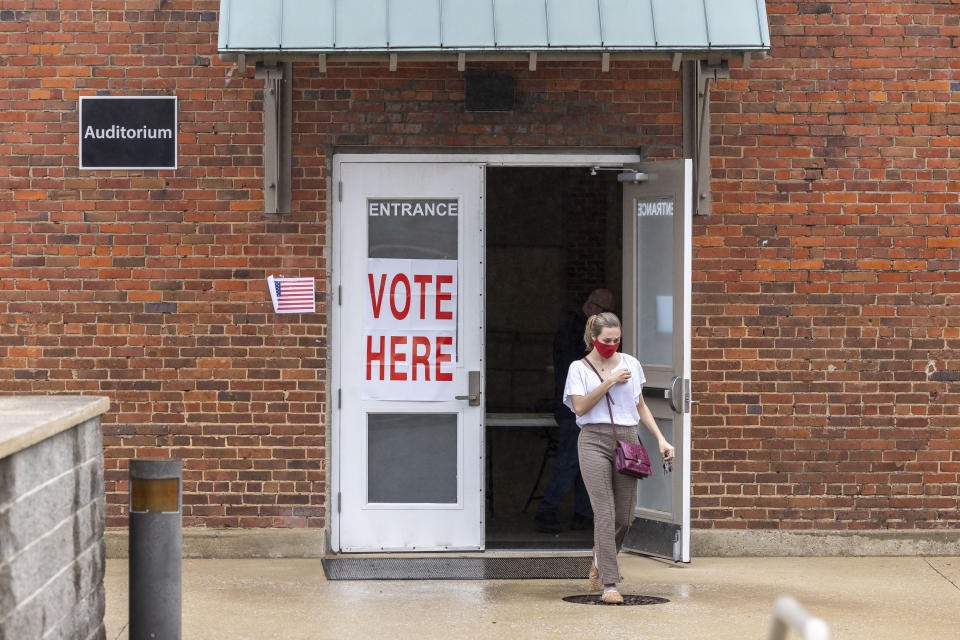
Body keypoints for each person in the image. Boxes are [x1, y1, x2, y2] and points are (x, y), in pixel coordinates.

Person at [564, 311, 675, 604]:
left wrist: (661, 439)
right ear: (593, 339)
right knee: (605, 511)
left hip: (627, 439)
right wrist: (609, 381)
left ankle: (600, 555)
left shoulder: (631, 364)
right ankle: (610, 584)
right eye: (606, 340)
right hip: (593, 439)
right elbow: (580, 407)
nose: (612, 345)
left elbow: (640, 406)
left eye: (617, 340)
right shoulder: (579, 368)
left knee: (625, 517)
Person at [534, 289, 616, 534]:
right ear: (592, 306)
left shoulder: (574, 330)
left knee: (584, 463)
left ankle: (582, 513)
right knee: (571, 461)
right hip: (576, 409)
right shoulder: (575, 333)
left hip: (583, 407)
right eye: (603, 310)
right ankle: (547, 511)